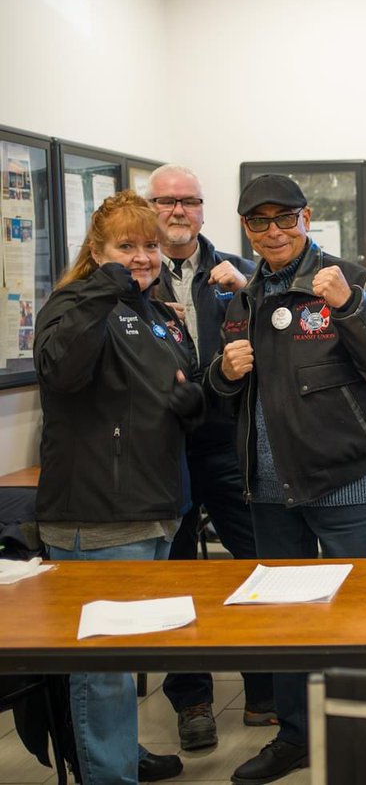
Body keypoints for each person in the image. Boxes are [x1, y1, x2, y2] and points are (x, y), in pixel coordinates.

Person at [208, 174, 366, 785]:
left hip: (343, 477)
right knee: (287, 622)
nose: (272, 231)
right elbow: (226, 392)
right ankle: (296, 737)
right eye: (258, 221)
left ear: (306, 218)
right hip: (269, 488)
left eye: (284, 218)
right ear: (245, 227)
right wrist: (223, 374)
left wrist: (350, 306)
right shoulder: (243, 296)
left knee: (359, 615)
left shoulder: (347, 277)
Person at [35, 190, 204, 784]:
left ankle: (117, 754)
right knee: (101, 665)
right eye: (126, 246)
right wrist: (106, 286)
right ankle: (108, 774)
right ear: (97, 250)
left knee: (127, 653)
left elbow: (177, 381)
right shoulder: (75, 303)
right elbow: (61, 369)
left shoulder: (155, 310)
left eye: (150, 245)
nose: (142, 257)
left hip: (155, 505)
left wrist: (192, 399)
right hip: (99, 515)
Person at [147, 163, 274, 751]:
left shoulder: (240, 271)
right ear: (150, 209)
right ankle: (192, 697)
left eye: (189, 201)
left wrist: (248, 287)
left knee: (255, 565)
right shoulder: (133, 276)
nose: (178, 212)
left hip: (229, 442)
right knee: (174, 576)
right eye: (166, 202)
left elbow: (283, 335)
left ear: (203, 210)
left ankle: (264, 690)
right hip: (161, 448)